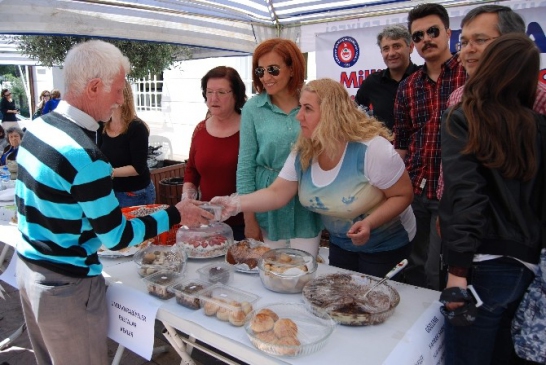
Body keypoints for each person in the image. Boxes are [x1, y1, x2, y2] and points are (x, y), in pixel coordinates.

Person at [14, 40, 211, 365]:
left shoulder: (38, 128)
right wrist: (175, 213)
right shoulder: (83, 154)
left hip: (30, 270)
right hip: (67, 286)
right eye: (118, 90)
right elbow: (116, 237)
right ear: (93, 87)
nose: (121, 99)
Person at [213, 78, 416, 277]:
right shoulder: (304, 150)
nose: (299, 116)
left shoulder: (372, 149)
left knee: (374, 302)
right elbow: (277, 193)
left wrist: (370, 223)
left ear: (331, 114)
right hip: (341, 242)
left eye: (308, 109)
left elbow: (403, 195)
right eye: (300, 107)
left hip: (386, 244)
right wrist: (235, 203)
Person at [439, 33, 543, 365]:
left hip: (480, 266)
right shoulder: (538, 125)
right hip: (524, 266)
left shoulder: (464, 116)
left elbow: (466, 197)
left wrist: (458, 270)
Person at [436, 4, 546, 200]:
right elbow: (451, 169)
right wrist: (446, 203)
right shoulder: (457, 97)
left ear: (511, 43)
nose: (468, 50)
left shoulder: (540, 100)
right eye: (463, 42)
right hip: (462, 215)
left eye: (480, 40)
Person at [393, 3, 467, 290]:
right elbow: (401, 142)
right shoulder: (408, 86)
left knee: (438, 270)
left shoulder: (470, 75)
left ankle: (441, 328)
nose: (426, 39)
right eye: (419, 36)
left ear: (449, 32)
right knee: (413, 263)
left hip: (454, 192)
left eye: (433, 31)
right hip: (414, 191)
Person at [236, 38, 323, 256]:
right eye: (260, 71)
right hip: (267, 200)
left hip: (307, 200)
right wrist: (249, 217)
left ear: (292, 69)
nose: (266, 77)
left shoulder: (314, 100)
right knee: (270, 270)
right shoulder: (253, 108)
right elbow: (245, 164)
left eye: (273, 70)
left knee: (305, 267)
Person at [183, 66, 247, 240]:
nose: (213, 98)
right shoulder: (200, 129)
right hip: (207, 223)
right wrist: (187, 201)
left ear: (236, 95)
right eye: (209, 92)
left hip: (245, 223)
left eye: (221, 92)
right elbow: (192, 171)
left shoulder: (249, 129)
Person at [99, 80, 155, 207]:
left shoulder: (137, 128)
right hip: (111, 192)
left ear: (121, 97)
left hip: (134, 193)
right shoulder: (102, 125)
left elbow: (138, 168)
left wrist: (109, 172)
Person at [354, 24, 420, 129]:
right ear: (381, 52)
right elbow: (354, 113)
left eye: (397, 46)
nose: (391, 53)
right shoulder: (372, 82)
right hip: (384, 144)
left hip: (420, 145)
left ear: (411, 47)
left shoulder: (423, 76)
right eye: (386, 49)